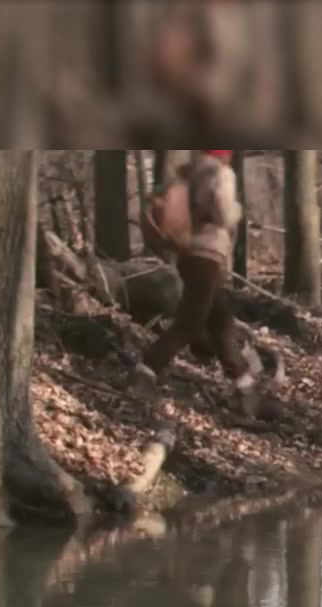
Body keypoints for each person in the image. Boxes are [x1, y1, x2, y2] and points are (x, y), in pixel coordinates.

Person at [136, 150, 260, 418]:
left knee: (220, 322)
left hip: (188, 254)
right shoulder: (220, 174)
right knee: (189, 324)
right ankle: (144, 373)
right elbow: (223, 214)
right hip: (207, 255)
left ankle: (246, 389)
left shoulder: (188, 172)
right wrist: (238, 211)